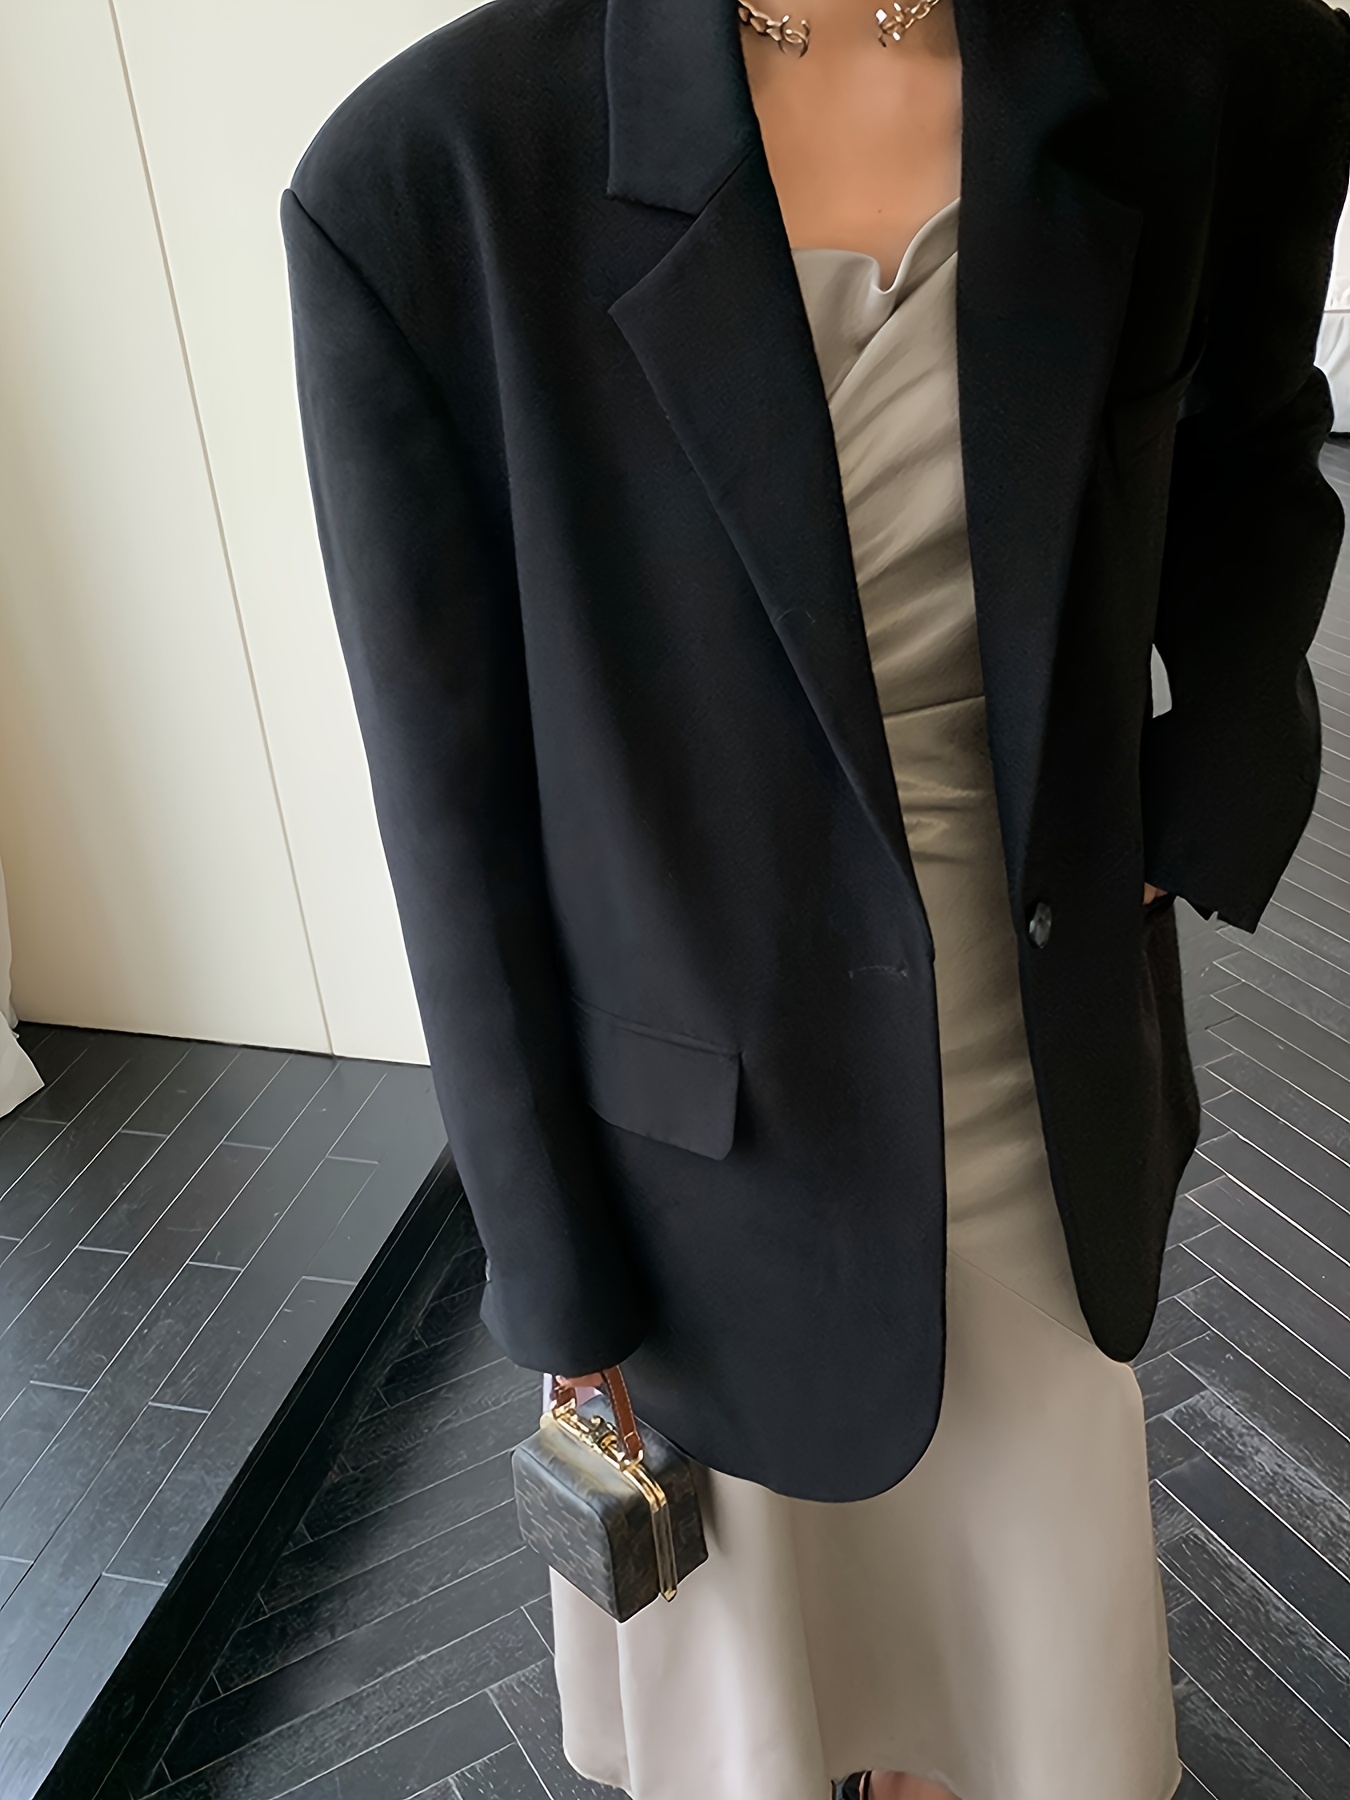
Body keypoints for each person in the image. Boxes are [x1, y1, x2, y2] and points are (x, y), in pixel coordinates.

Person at [281, 0, 1350, 1794]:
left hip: (1032, 1052)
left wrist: (1203, 794)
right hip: (701, 1130)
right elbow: (448, 813)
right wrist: (558, 1284)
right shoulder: (429, 177)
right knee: (782, 1702)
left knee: (1023, 1679)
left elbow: (1255, 451)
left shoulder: (1194, 70)